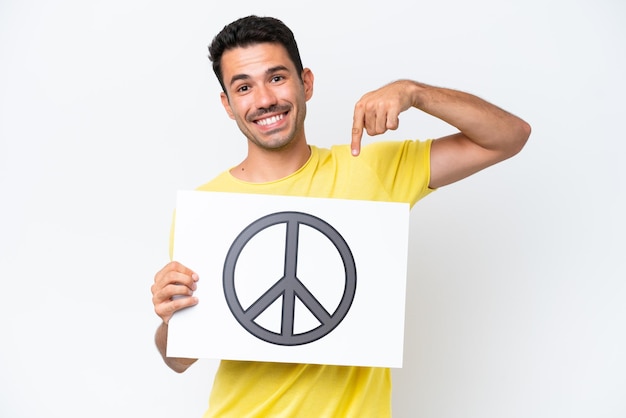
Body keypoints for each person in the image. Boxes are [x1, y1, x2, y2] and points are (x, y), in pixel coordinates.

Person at [150, 15, 531, 418]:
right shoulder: (209, 208)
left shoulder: (372, 169)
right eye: (244, 87)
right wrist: (169, 320)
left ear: (306, 83)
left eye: (277, 78)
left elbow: (509, 136)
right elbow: (179, 359)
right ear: (228, 104)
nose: (263, 100)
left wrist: (415, 92)